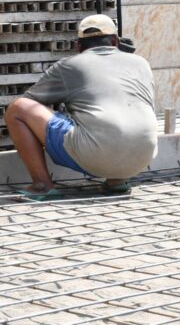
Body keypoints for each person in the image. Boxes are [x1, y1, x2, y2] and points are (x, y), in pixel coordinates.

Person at [4, 14, 157, 201]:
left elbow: (30, 101)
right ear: (115, 41)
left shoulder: (69, 66)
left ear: (78, 46)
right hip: (143, 157)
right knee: (119, 113)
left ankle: (42, 185)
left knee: (17, 109)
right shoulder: (141, 63)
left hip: (95, 156)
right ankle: (117, 181)